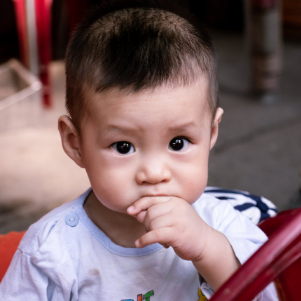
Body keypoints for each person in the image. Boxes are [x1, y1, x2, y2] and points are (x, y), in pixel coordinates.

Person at [0, 0, 278, 300]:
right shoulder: (51, 252)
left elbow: (272, 294)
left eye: (178, 143)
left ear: (211, 132)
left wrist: (208, 249)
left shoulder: (221, 222)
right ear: (75, 143)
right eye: (123, 146)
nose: (154, 173)